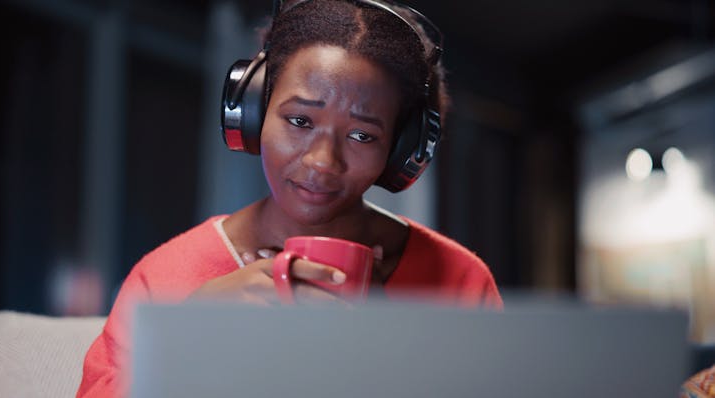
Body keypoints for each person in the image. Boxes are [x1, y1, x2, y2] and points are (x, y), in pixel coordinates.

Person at [76, 0, 502, 396]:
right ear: (253, 113)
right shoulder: (165, 278)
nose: (322, 161)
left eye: (362, 135)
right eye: (300, 120)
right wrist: (189, 337)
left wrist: (386, 344)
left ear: (400, 149)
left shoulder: (459, 281)